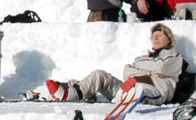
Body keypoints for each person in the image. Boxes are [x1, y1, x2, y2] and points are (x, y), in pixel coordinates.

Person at [37, 23, 185, 104]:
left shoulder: (174, 56)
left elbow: (161, 66)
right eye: (153, 36)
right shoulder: (143, 57)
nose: (156, 38)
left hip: (153, 90)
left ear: (169, 39)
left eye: (160, 35)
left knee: (137, 88)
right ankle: (71, 93)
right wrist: (149, 72)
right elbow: (127, 71)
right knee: (99, 75)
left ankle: (124, 96)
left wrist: (141, 72)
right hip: (129, 87)